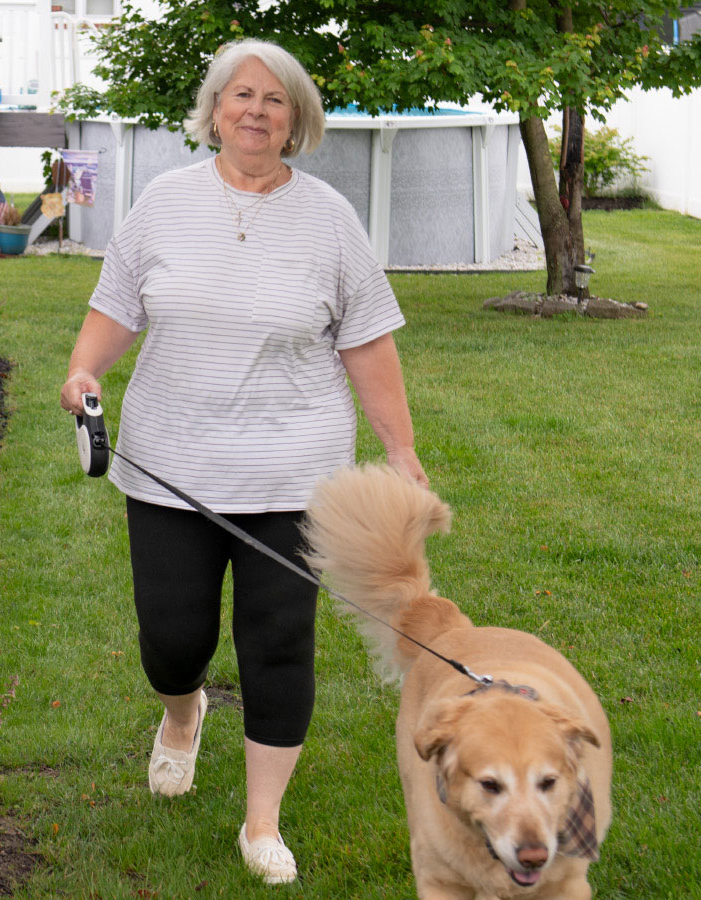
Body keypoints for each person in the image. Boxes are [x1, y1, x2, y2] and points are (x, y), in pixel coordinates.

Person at [58, 39, 428, 885]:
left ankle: (261, 824)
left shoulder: (331, 218)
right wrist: (85, 370)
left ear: (295, 119)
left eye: (274, 99)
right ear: (214, 111)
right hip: (168, 465)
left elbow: (367, 342)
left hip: (293, 469)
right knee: (171, 640)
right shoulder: (163, 201)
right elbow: (116, 306)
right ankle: (182, 717)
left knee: (279, 642)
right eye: (240, 96)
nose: (255, 110)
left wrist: (399, 450)